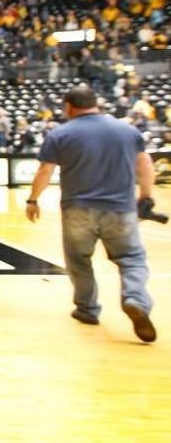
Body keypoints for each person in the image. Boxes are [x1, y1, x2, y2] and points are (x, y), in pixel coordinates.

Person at [26, 85, 157, 343]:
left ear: (68, 106)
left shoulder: (60, 133)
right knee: (131, 258)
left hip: (77, 209)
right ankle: (135, 298)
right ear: (96, 103)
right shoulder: (127, 130)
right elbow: (144, 162)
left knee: (79, 261)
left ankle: (87, 309)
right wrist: (146, 195)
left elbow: (45, 170)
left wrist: (33, 199)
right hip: (120, 208)